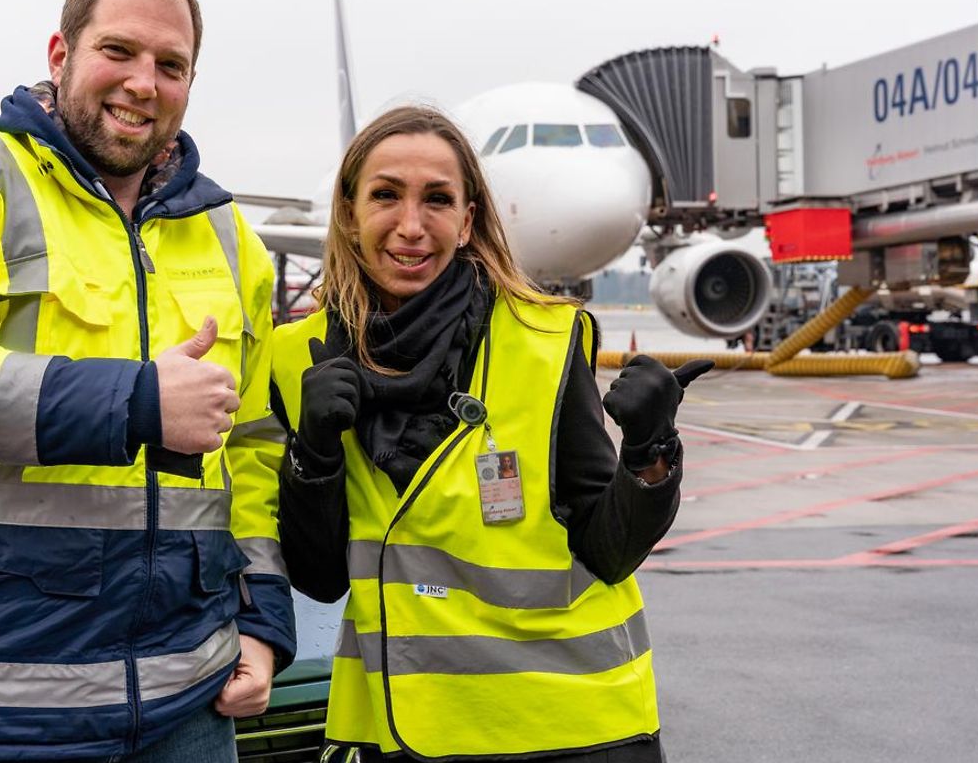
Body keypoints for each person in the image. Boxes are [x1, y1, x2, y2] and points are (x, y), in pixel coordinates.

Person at [0, 0, 294, 760]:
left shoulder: (226, 236)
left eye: (171, 64)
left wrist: (261, 624)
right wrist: (135, 401)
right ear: (60, 53)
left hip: (185, 706)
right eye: (117, 51)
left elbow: (253, 451)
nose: (142, 83)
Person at [271, 105, 712, 761]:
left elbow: (608, 550)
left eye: (438, 200)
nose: (411, 226)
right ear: (348, 211)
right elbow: (321, 577)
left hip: (574, 731)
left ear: (468, 219)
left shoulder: (545, 339)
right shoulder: (297, 358)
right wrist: (314, 453)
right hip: (403, 733)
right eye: (386, 195)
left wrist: (650, 455)